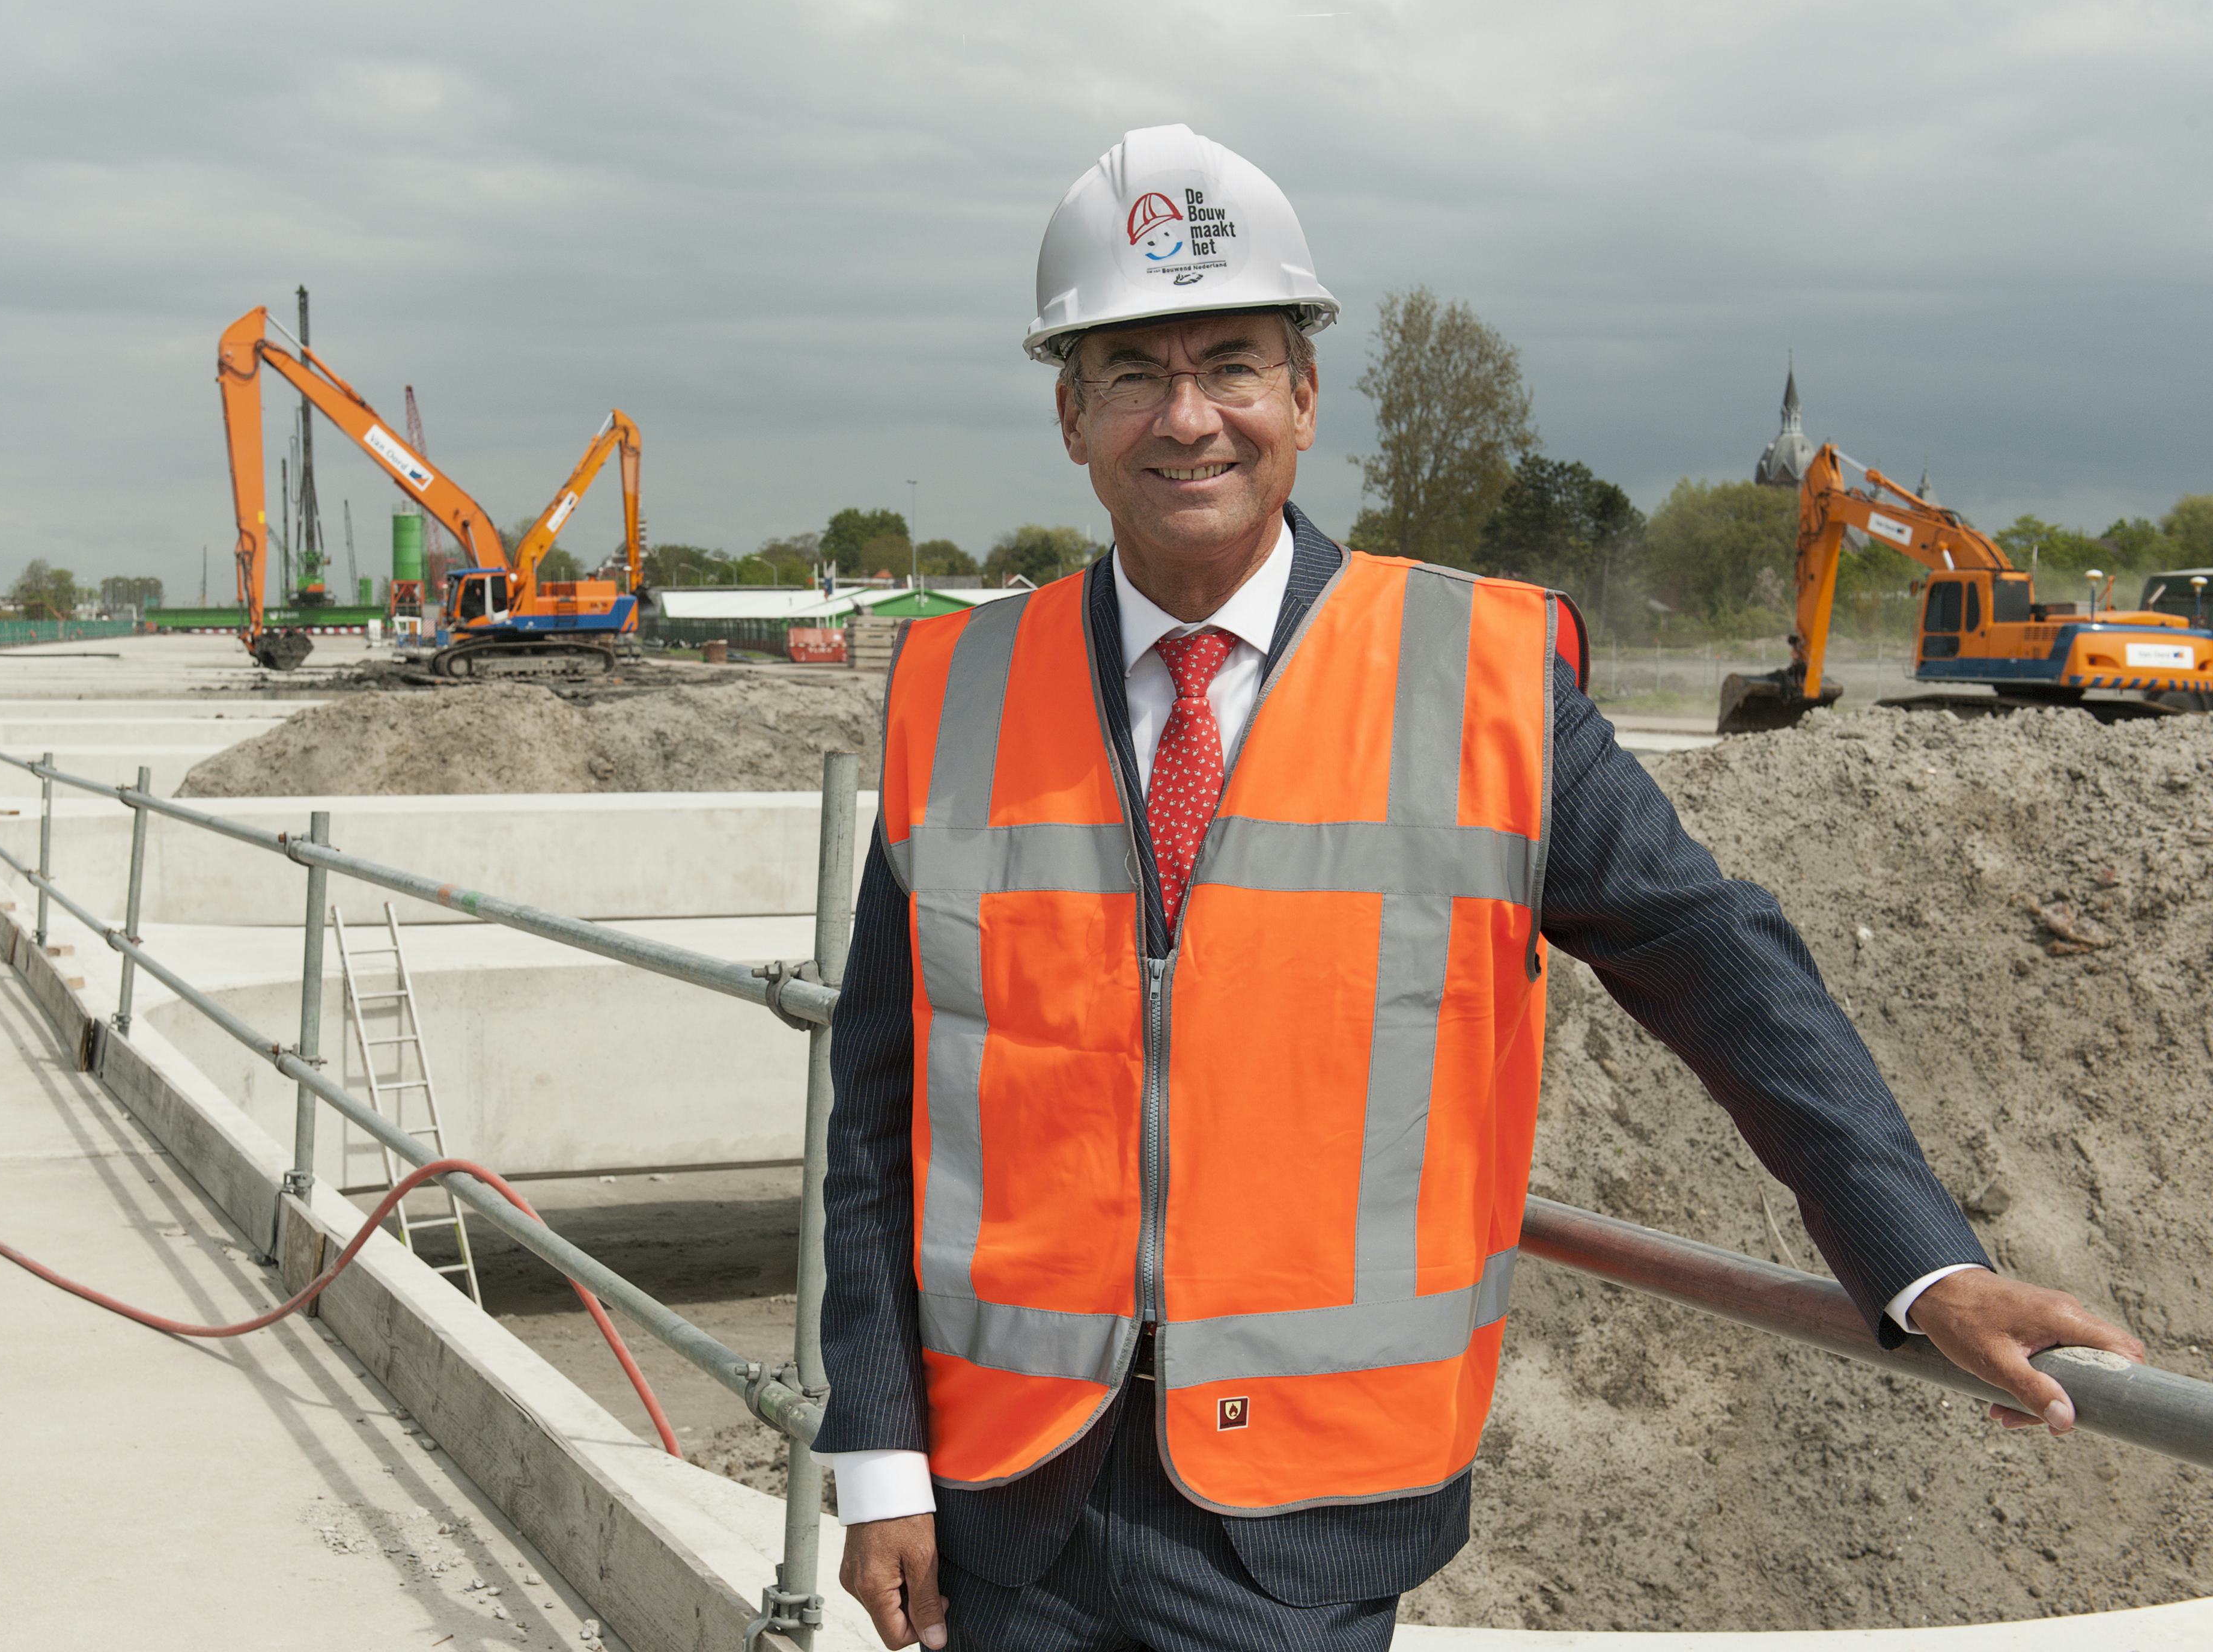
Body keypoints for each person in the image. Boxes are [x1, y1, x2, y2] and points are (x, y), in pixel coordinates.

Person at [818, 124, 2142, 1652]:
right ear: (1070, 415)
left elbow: (1718, 966)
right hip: (1003, 1505)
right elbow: (875, 1106)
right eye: (1132, 374)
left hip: (1298, 1532)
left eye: (1231, 365)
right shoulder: (955, 686)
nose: (1187, 421)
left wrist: (1924, 1267)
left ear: (1304, 398)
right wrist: (875, 1456)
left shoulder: (1484, 681)